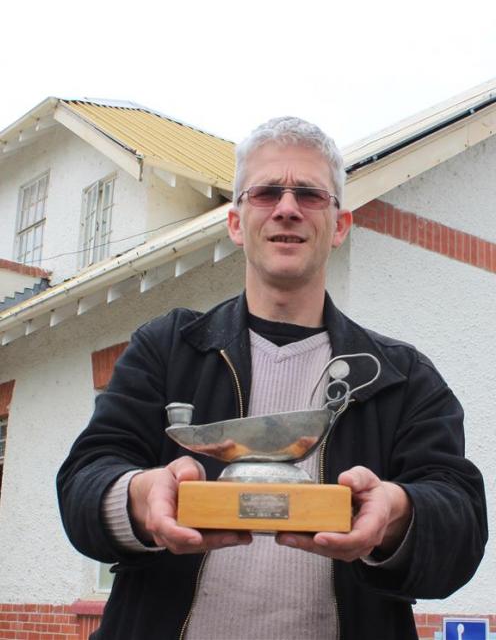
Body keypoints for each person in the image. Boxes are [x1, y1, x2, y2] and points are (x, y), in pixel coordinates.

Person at [57, 117, 487, 640]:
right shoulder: (166, 349)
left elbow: (462, 523)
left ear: (341, 224)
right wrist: (140, 498)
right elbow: (83, 480)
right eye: (266, 193)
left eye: (309, 193)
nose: (287, 207)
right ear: (236, 222)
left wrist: (396, 513)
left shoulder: (402, 376)